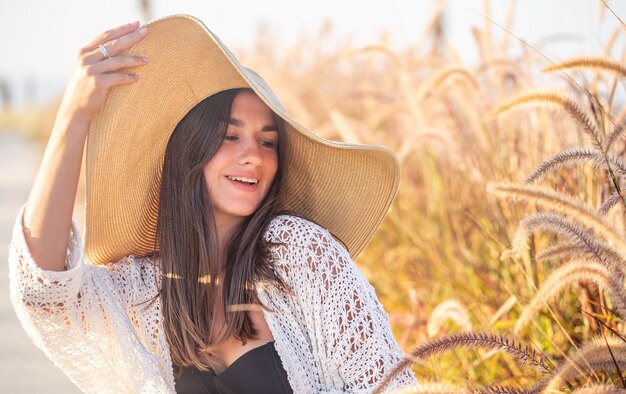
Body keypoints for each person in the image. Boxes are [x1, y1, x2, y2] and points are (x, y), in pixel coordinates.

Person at [9, 14, 418, 394]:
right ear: (189, 150)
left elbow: (387, 385)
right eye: (229, 135)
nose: (253, 155)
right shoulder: (140, 289)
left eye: (268, 141)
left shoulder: (302, 254)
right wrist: (73, 119)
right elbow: (43, 291)